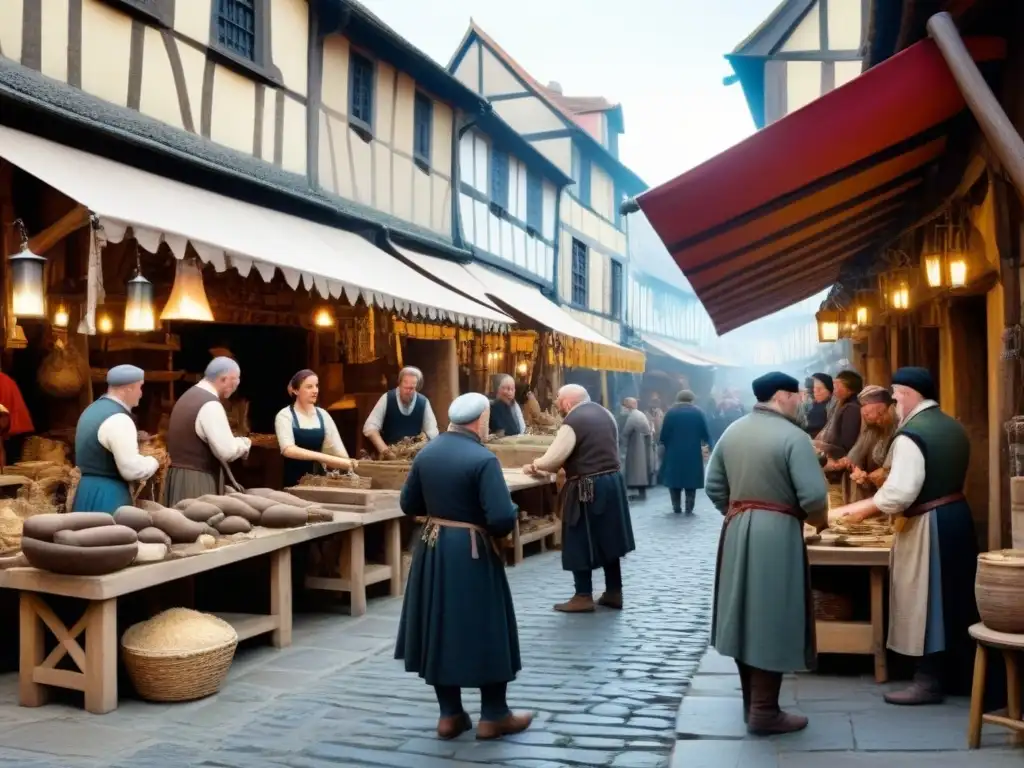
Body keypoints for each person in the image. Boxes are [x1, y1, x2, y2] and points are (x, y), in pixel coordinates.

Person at [832, 367, 978, 704]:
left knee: (927, 600)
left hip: (930, 523)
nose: (894, 400)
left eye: (896, 393)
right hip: (956, 516)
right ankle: (956, 675)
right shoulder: (951, 426)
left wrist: (859, 510)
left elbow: (899, 494)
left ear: (910, 393)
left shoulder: (912, 434)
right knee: (953, 598)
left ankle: (928, 681)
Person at [395, 392, 532, 741]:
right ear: (481, 420)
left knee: (438, 624)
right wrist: (513, 513)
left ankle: (449, 715)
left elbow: (408, 502)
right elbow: (500, 518)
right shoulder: (483, 458)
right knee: (486, 625)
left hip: (432, 546)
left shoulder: (427, 453)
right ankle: (494, 715)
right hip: (471, 551)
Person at [706, 371, 828, 735]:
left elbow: (713, 485)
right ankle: (765, 710)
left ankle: (752, 705)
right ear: (781, 396)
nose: (801, 401)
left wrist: (740, 512)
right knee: (773, 614)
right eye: (797, 395)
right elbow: (814, 496)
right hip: (777, 531)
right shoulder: (794, 437)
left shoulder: (734, 431)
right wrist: (819, 523)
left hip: (737, 527)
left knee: (743, 615)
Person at [523, 384, 635, 612]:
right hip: (612, 482)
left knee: (578, 536)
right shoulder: (605, 413)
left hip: (587, 485)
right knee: (609, 537)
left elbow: (553, 459)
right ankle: (614, 592)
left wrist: (534, 466)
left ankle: (582, 595)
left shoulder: (574, 421)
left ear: (567, 402)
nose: (555, 403)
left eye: (557, 399)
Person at [71, 365, 160, 513]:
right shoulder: (119, 419)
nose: (141, 394)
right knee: (108, 535)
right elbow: (131, 470)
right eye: (140, 387)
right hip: (108, 497)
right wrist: (154, 461)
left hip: (85, 493)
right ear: (129, 388)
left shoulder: (92, 409)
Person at [164, 357, 251, 505]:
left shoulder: (188, 395)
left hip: (178, 476)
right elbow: (226, 451)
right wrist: (244, 443)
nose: (236, 385)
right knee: (199, 525)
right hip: (196, 480)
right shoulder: (210, 405)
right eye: (236, 380)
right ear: (225, 379)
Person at [275, 369, 356, 487]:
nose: (315, 391)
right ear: (296, 390)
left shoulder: (323, 415)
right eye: (309, 387)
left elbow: (337, 449)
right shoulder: (285, 415)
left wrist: (350, 465)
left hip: (320, 481)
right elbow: (288, 449)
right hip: (294, 482)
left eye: (316, 386)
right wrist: (322, 457)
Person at [838, 385, 896, 503]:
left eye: (880, 415)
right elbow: (854, 457)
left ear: (884, 409)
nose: (865, 414)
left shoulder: (900, 430)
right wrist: (858, 470)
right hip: (873, 490)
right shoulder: (872, 430)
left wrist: (885, 473)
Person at [363, 367, 439, 457]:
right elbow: (369, 428)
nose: (407, 391)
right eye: (405, 387)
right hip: (389, 453)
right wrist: (386, 451)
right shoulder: (387, 398)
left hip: (414, 455)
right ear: (399, 384)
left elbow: (432, 433)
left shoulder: (423, 402)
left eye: (411, 388)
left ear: (417, 388)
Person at [659, 389, 712, 515]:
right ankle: (689, 507)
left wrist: (666, 445)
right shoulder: (698, 413)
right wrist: (708, 445)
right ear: (692, 399)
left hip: (674, 451)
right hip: (692, 452)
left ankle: (676, 507)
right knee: (691, 480)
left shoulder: (671, 413)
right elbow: (705, 433)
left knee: (674, 480)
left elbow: (664, 435)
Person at [619, 397, 652, 501]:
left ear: (628, 406)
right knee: (639, 471)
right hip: (640, 446)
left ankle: (636, 493)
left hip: (634, 447)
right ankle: (641, 493)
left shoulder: (633, 416)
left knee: (634, 471)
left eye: (624, 405)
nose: (623, 407)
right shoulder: (640, 414)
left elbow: (626, 432)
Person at [804, 373, 833, 438]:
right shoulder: (812, 404)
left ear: (829, 391)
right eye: (814, 389)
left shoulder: (831, 406)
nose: (816, 392)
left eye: (819, 389)